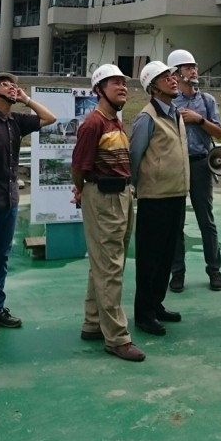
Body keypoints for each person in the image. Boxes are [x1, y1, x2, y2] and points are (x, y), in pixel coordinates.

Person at [0, 72, 56, 336]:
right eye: (5, 84)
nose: (12, 87)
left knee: (1, 257)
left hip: (10, 201)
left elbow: (50, 119)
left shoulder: (16, 121)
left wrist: (26, 99)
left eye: (13, 84)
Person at [71, 65, 145, 363]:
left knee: (103, 264)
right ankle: (117, 338)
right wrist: (81, 190)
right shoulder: (94, 124)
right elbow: (78, 167)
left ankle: (92, 323)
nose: (122, 87)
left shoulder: (115, 122)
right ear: (99, 90)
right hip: (104, 197)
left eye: (124, 83)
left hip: (121, 196)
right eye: (115, 82)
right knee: (111, 267)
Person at [130, 61, 189, 336]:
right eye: (165, 77)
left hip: (176, 194)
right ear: (153, 87)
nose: (173, 79)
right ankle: (144, 313)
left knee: (166, 255)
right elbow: (134, 156)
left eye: (172, 75)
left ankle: (157, 304)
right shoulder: (147, 118)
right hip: (154, 198)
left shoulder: (175, 113)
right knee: (150, 257)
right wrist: (136, 188)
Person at [166, 49, 221, 293]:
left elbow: (219, 133)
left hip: (200, 163)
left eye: (195, 66)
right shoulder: (169, 102)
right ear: (177, 74)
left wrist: (198, 119)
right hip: (176, 164)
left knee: (205, 219)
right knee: (175, 220)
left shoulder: (207, 101)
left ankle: (214, 270)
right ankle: (177, 272)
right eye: (188, 67)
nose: (194, 71)